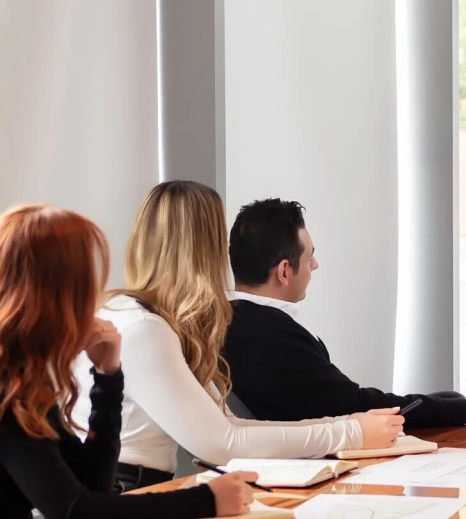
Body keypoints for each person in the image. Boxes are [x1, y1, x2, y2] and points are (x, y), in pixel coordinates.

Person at [71, 181, 404, 492]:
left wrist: (347, 425)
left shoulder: (140, 316)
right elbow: (221, 443)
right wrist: (350, 432)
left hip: (130, 488)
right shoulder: (143, 328)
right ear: (209, 249)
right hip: (121, 493)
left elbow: (227, 425)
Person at [0, 204, 257, 518]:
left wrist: (108, 378)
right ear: (57, 295)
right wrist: (206, 500)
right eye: (85, 285)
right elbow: (74, 510)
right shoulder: (9, 390)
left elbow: (92, 486)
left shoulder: (27, 379)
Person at [221, 198, 466, 427]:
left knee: (448, 398)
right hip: (315, 458)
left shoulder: (232, 319)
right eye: (310, 258)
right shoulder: (273, 335)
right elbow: (354, 404)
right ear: (284, 271)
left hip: (311, 436)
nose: (315, 265)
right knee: (452, 407)